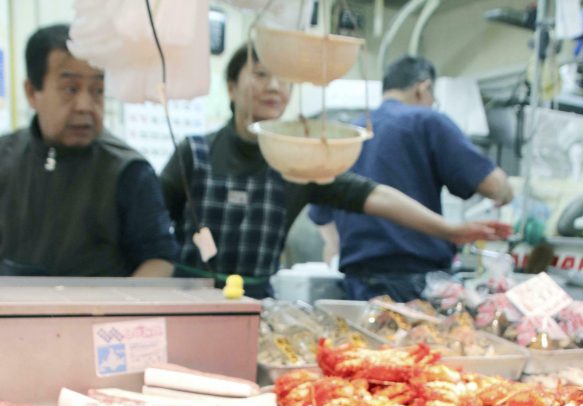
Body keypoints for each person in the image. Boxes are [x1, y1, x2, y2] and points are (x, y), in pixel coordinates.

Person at [161, 44, 510, 299]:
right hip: (187, 298)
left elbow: (373, 194)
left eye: (284, 80)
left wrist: (449, 228)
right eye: (261, 74)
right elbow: (155, 227)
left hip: (255, 302)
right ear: (232, 87)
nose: (274, 87)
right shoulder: (194, 152)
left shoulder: (299, 160)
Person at [309, 55, 514, 301]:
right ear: (423, 87)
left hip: (357, 287)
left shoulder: (348, 135)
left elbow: (324, 221)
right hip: (414, 286)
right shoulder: (426, 121)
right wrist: (507, 191)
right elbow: (493, 185)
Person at [0, 24, 178, 277]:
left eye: (98, 91)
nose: (85, 105)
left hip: (99, 313)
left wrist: (121, 312)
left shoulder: (129, 171)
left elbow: (159, 260)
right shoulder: (4, 156)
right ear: (31, 92)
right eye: (71, 89)